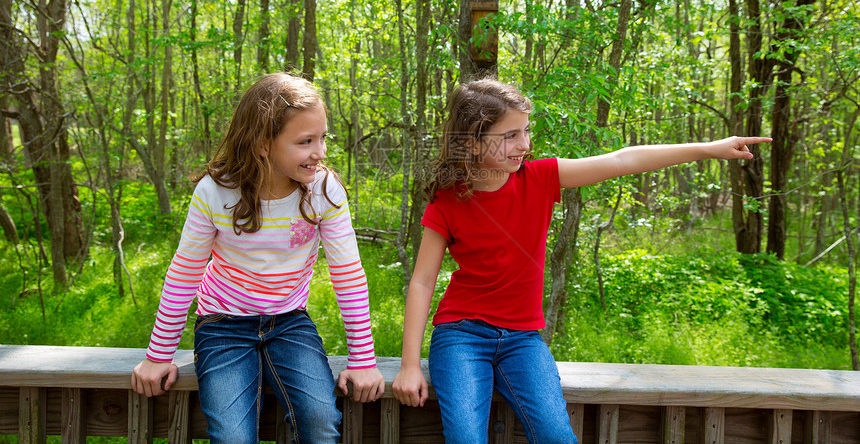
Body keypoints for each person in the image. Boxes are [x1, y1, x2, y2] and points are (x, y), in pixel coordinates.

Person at [391, 78, 771, 444]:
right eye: (510, 135)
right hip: (461, 335)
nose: (524, 144)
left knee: (557, 435)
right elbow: (423, 282)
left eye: (526, 131)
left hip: (523, 340)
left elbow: (623, 159)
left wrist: (709, 148)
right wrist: (410, 365)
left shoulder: (538, 178)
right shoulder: (449, 200)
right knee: (464, 438)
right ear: (472, 142)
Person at [132, 73, 385, 444]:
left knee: (319, 420)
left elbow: (347, 274)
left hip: (289, 321)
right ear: (263, 144)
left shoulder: (324, 191)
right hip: (223, 325)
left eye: (323, 138)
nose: (320, 151)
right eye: (305, 142)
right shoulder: (216, 191)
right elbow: (185, 271)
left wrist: (363, 361)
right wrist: (159, 354)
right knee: (232, 436)